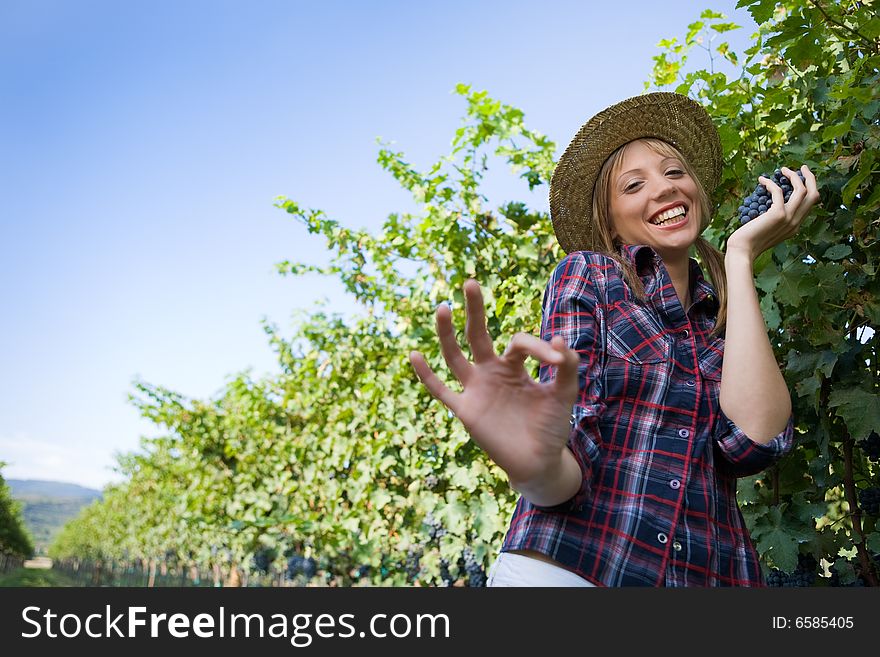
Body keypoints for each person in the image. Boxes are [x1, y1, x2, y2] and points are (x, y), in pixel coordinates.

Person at [409, 92, 820, 586]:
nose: (664, 189)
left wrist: (740, 257)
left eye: (673, 172)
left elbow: (753, 445)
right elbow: (570, 452)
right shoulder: (591, 275)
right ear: (608, 218)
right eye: (634, 185)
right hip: (576, 570)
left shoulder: (725, 316)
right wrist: (536, 466)